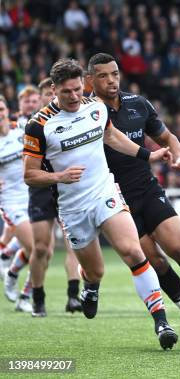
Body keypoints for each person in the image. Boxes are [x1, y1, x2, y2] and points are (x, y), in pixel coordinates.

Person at [23, 58, 178, 350]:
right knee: (95, 271)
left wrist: (149, 155)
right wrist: (59, 176)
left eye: (77, 89)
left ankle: (161, 322)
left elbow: (112, 136)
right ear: (53, 89)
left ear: (84, 84)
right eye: (65, 91)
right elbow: (30, 175)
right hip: (72, 207)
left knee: (133, 251)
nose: (72, 96)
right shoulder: (39, 125)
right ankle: (91, 286)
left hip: (104, 191)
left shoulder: (97, 107)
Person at [86, 53, 180, 342]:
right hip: (116, 200)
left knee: (179, 248)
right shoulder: (87, 114)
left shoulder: (137, 104)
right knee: (156, 260)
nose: (112, 80)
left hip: (147, 187)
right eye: (103, 76)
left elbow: (168, 138)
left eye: (115, 73)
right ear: (90, 80)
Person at [28, 77, 82, 317]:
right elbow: (28, 171)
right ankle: (37, 297)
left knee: (74, 244)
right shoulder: (33, 125)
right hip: (41, 189)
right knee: (40, 248)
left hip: (66, 188)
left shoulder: (71, 118)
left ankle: (73, 296)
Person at [0, 95, 35, 313]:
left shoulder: (21, 129)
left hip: (35, 195)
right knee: (35, 248)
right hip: (11, 202)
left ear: (6, 109)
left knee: (45, 251)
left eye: (1, 108)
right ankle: (20, 287)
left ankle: (18, 283)